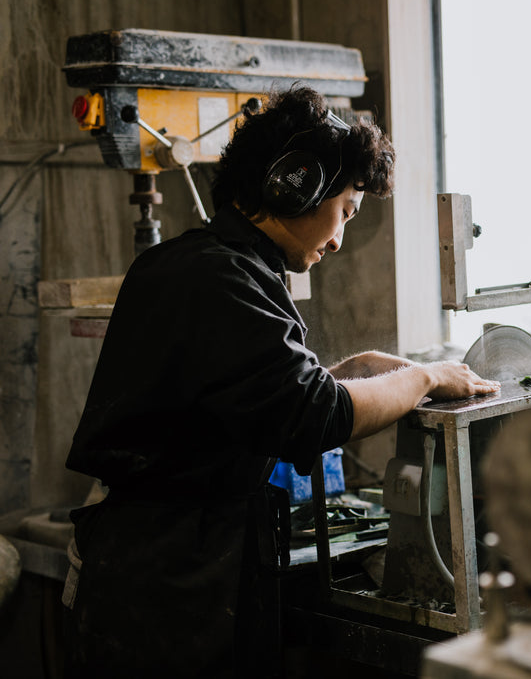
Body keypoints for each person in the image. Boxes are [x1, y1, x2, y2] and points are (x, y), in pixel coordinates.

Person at [62, 85, 499, 678]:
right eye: (344, 210)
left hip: (150, 561)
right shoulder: (225, 278)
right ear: (296, 184)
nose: (341, 238)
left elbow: (251, 400)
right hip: (171, 585)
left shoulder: (192, 262)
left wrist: (347, 373)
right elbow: (313, 417)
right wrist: (426, 377)